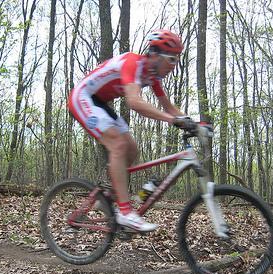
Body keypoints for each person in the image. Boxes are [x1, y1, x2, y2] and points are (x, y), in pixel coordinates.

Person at [68, 29, 192, 232]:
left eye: (176, 60)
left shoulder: (152, 77)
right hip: (82, 97)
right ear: (154, 55)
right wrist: (173, 121)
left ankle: (109, 194)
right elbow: (134, 102)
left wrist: (193, 122)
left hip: (99, 102)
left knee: (132, 150)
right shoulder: (133, 63)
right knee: (118, 145)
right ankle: (125, 212)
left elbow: (170, 108)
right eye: (171, 59)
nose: (173, 65)